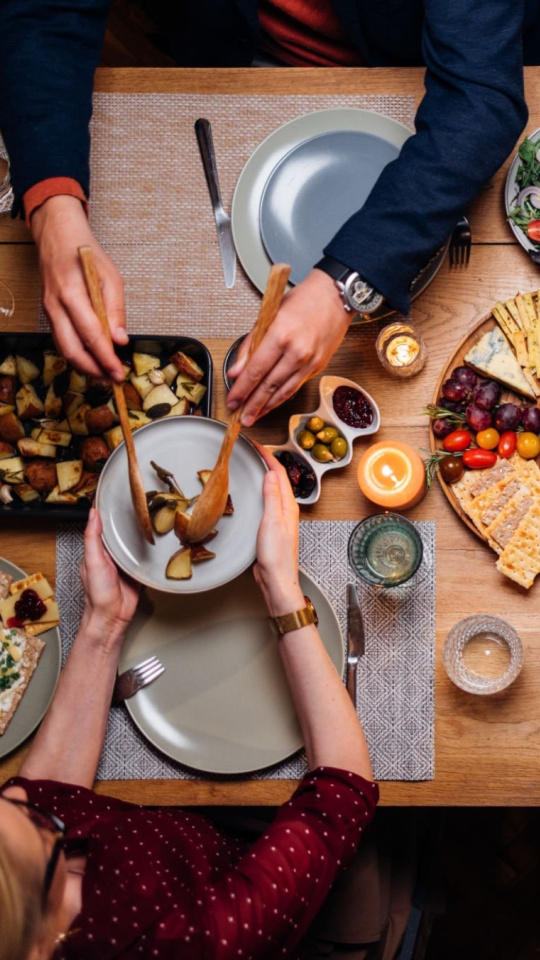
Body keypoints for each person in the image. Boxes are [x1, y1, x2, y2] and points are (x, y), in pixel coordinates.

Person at [0, 0, 536, 423]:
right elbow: (46, 15)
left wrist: (344, 283)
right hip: (225, 69)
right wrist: (52, 210)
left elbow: (478, 96)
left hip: (410, 75)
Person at [0, 448, 378, 959]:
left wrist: (104, 626)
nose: (28, 800)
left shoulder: (27, 823)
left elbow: (49, 793)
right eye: (44, 833)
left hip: (194, 838)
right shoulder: (193, 941)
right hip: (274, 879)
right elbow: (342, 795)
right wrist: (281, 590)